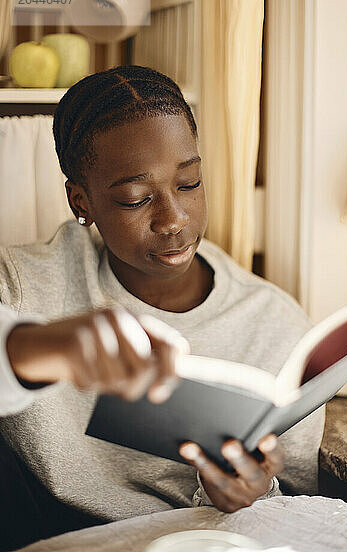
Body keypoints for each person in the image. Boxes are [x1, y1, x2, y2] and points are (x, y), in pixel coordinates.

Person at [0, 66, 324, 548]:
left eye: (189, 184)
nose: (173, 220)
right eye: (135, 199)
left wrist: (252, 492)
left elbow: (298, 503)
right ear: (81, 201)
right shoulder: (22, 283)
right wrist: (41, 348)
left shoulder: (274, 323)